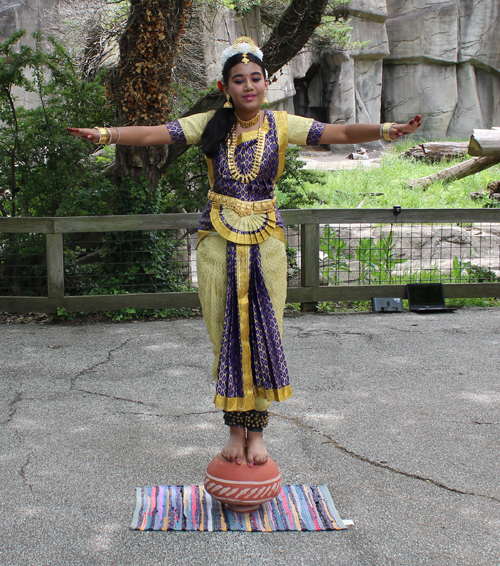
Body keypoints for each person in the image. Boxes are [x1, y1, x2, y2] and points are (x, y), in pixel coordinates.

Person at [68, 36, 421, 468]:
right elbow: (155, 134)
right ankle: (235, 430)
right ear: (225, 87)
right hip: (217, 239)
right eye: (239, 80)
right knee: (226, 335)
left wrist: (388, 130)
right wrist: (107, 134)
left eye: (255, 78)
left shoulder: (282, 124)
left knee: (265, 332)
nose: (248, 86)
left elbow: (341, 132)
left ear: (265, 83)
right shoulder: (208, 124)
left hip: (267, 239)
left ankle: (258, 435)